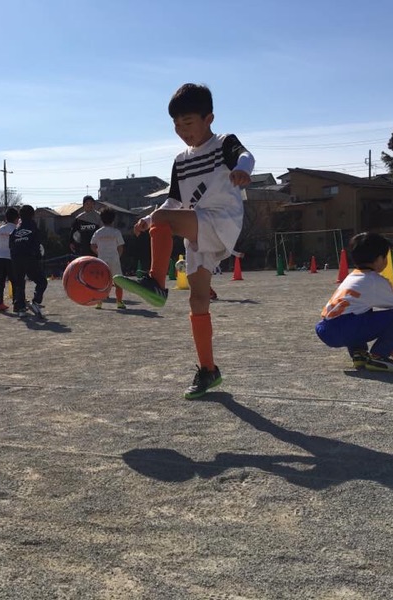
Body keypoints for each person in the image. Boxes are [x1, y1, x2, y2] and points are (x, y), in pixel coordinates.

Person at [113, 83, 254, 399]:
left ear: (209, 119)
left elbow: (244, 155)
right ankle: (208, 370)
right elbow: (173, 201)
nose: (181, 131)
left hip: (221, 219)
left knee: (164, 224)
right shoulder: (181, 160)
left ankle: (155, 283)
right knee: (198, 300)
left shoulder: (223, 143)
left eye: (188, 123)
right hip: (197, 227)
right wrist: (149, 220)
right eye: (176, 125)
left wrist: (243, 170)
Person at [316, 232, 393, 372]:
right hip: (344, 328)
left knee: (363, 312)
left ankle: (359, 353)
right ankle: (379, 356)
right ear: (379, 259)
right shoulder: (374, 280)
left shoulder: (353, 277)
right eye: (386, 258)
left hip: (326, 329)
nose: (386, 262)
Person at [10, 204, 48, 318]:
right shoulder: (32, 226)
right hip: (30, 259)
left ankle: (21, 309)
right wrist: (38, 257)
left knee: (19, 284)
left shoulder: (15, 230)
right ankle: (36, 301)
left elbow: (11, 245)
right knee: (42, 281)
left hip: (16, 260)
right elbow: (36, 243)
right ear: (32, 215)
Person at [90, 207, 126, 309]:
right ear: (113, 220)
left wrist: (99, 252)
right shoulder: (116, 232)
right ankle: (119, 302)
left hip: (101, 260)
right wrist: (117, 256)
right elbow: (120, 247)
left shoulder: (98, 232)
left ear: (101, 219)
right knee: (118, 281)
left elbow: (92, 245)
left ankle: (99, 302)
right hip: (114, 259)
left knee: (101, 281)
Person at [0, 206, 19, 311]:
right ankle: (16, 303)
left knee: (0, 282)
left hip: (0, 257)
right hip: (11, 258)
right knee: (15, 281)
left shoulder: (0, 229)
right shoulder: (16, 230)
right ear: (16, 218)